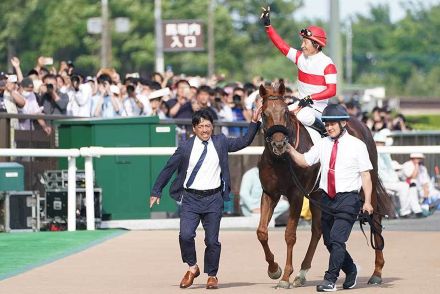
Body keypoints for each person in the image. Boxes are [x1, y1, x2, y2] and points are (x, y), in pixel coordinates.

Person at [149, 107, 262, 290]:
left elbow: (244, 141)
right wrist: (156, 191)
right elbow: (169, 168)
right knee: (185, 236)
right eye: (201, 126)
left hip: (214, 199)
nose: (205, 130)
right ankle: (192, 268)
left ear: (213, 127)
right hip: (191, 199)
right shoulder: (185, 147)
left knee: (212, 241)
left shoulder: (221, 142)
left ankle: (212, 275)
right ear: (194, 128)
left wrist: (254, 122)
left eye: (208, 126)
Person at [287, 104, 373, 292]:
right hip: (326, 199)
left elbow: (365, 175)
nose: (328, 127)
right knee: (328, 241)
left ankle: (330, 280)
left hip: (348, 199)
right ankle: (350, 270)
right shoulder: (323, 143)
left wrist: (367, 201)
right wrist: (288, 148)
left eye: (332, 124)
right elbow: (304, 161)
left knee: (336, 239)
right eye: (326, 124)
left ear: (343, 123)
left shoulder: (357, 146)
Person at [260, 6, 337, 136]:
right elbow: (281, 45)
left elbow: (332, 91)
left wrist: (310, 98)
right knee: (277, 114)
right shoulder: (299, 57)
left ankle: (326, 134)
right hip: (300, 104)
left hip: (318, 108)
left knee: (303, 117)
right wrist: (268, 27)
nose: (302, 46)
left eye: (305, 43)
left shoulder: (328, 64)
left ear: (316, 45)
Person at [374, 132, 425, 218]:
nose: (381, 144)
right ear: (375, 142)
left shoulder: (385, 153)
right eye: (379, 142)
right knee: (405, 186)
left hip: (392, 181)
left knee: (410, 186)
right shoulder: (374, 153)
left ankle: (411, 210)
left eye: (382, 143)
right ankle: (406, 211)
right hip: (383, 182)